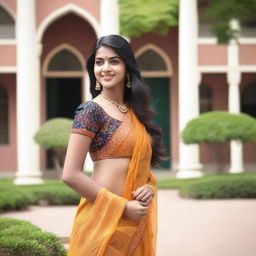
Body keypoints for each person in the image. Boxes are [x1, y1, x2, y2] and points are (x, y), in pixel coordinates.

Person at [62, 34, 165, 256]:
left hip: (135, 221)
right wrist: (123, 207)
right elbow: (70, 174)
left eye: (114, 61)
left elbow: (143, 170)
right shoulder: (91, 111)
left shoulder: (136, 113)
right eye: (99, 62)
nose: (105, 68)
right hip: (102, 221)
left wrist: (149, 188)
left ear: (128, 67)